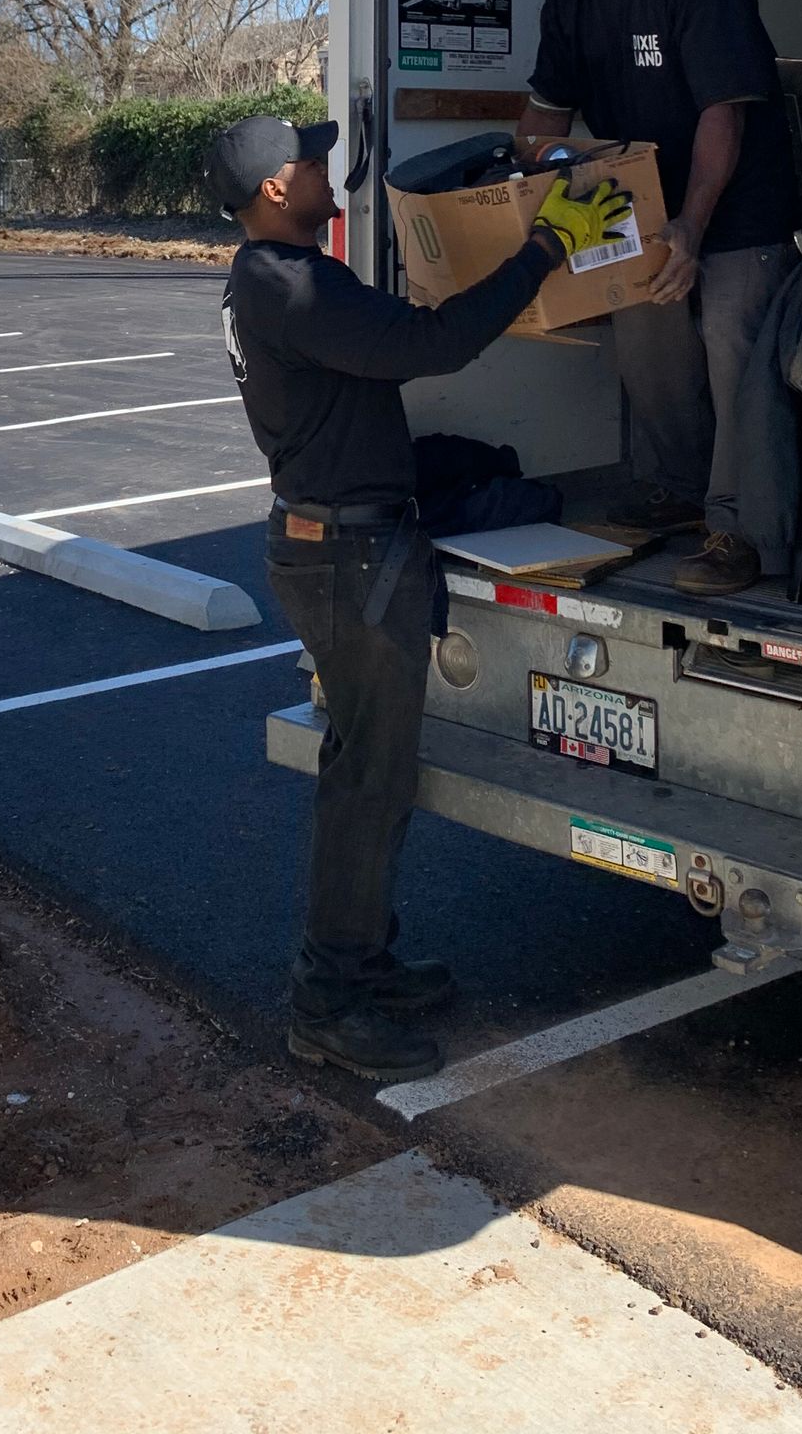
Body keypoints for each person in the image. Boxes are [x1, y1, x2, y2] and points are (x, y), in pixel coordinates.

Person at [210, 109, 621, 1083]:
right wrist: (548, 246)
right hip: (348, 559)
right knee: (367, 784)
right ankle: (330, 999)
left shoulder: (266, 280)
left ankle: (362, 960)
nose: (326, 171)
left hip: (339, 547)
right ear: (275, 188)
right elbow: (432, 344)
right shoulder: (291, 288)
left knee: (368, 772)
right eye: (311, 163)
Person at [518, 0, 802, 598]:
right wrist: (527, 181)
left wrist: (692, 226)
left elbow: (725, 114)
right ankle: (678, 487)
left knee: (731, 338)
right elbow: (543, 118)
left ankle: (743, 530)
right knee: (645, 335)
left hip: (739, 202)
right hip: (640, 205)